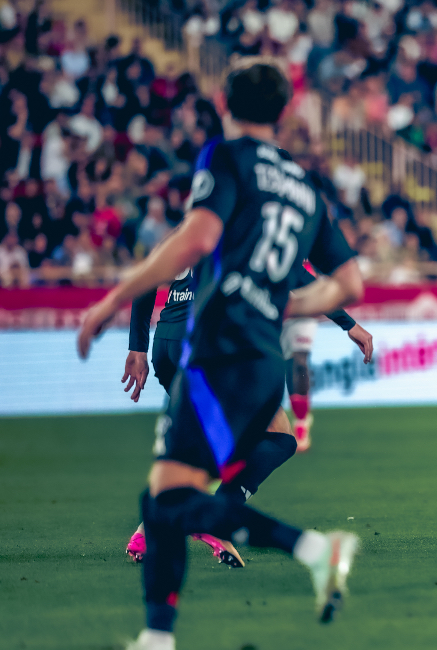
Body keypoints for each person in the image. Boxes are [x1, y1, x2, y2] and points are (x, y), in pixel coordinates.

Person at [77, 60, 364, 649]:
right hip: (258, 356)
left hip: (218, 349)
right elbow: (349, 283)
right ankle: (157, 637)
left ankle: (314, 550)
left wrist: (112, 299)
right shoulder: (304, 189)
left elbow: (196, 239)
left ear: (224, 103)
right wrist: (284, 305)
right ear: (284, 111)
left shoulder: (226, 157)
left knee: (171, 496)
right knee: (168, 494)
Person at [120, 260, 374, 564]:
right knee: (279, 437)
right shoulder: (249, 232)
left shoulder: (189, 234)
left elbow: (147, 277)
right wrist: (348, 323)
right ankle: (215, 518)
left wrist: (137, 348)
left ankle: (149, 530)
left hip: (168, 345)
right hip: (212, 345)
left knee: (206, 447)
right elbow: (300, 277)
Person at [280, 263, 374, 452]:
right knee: (269, 368)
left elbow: (308, 273)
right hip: (268, 302)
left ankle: (301, 422)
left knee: (298, 361)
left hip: (305, 300)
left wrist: (349, 324)